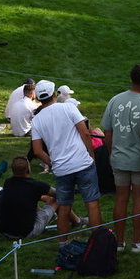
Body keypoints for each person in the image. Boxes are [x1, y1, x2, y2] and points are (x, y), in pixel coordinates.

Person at [29, 80, 102, 241]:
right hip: (83, 163)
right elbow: (85, 133)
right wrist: (92, 155)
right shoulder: (69, 107)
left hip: (62, 169)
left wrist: (52, 163)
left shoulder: (37, 120)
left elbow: (37, 151)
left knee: (64, 207)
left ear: (40, 99)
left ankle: (64, 244)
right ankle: (98, 241)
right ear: (54, 94)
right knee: (92, 203)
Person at [102, 63, 140, 252]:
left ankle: (119, 242)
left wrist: (111, 153)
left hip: (118, 158)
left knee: (121, 198)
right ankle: (136, 242)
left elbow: (107, 132)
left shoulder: (114, 100)